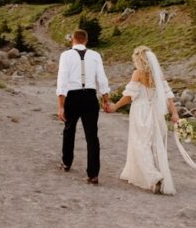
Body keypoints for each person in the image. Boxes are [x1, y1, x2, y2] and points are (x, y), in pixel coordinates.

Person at [107, 46, 180, 195]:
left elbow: (129, 96)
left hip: (140, 111)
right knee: (152, 144)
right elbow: (168, 98)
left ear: (139, 60)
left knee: (139, 143)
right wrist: (174, 114)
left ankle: (154, 177)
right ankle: (137, 172)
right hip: (155, 112)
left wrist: (115, 106)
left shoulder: (138, 73)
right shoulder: (159, 76)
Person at [56, 29, 111, 185]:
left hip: (72, 97)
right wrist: (106, 100)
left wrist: (60, 106)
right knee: (92, 136)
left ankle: (66, 162)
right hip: (90, 97)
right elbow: (102, 79)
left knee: (69, 129)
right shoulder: (95, 55)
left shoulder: (65, 55)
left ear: (72, 40)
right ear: (86, 40)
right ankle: (93, 174)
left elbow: (62, 80)